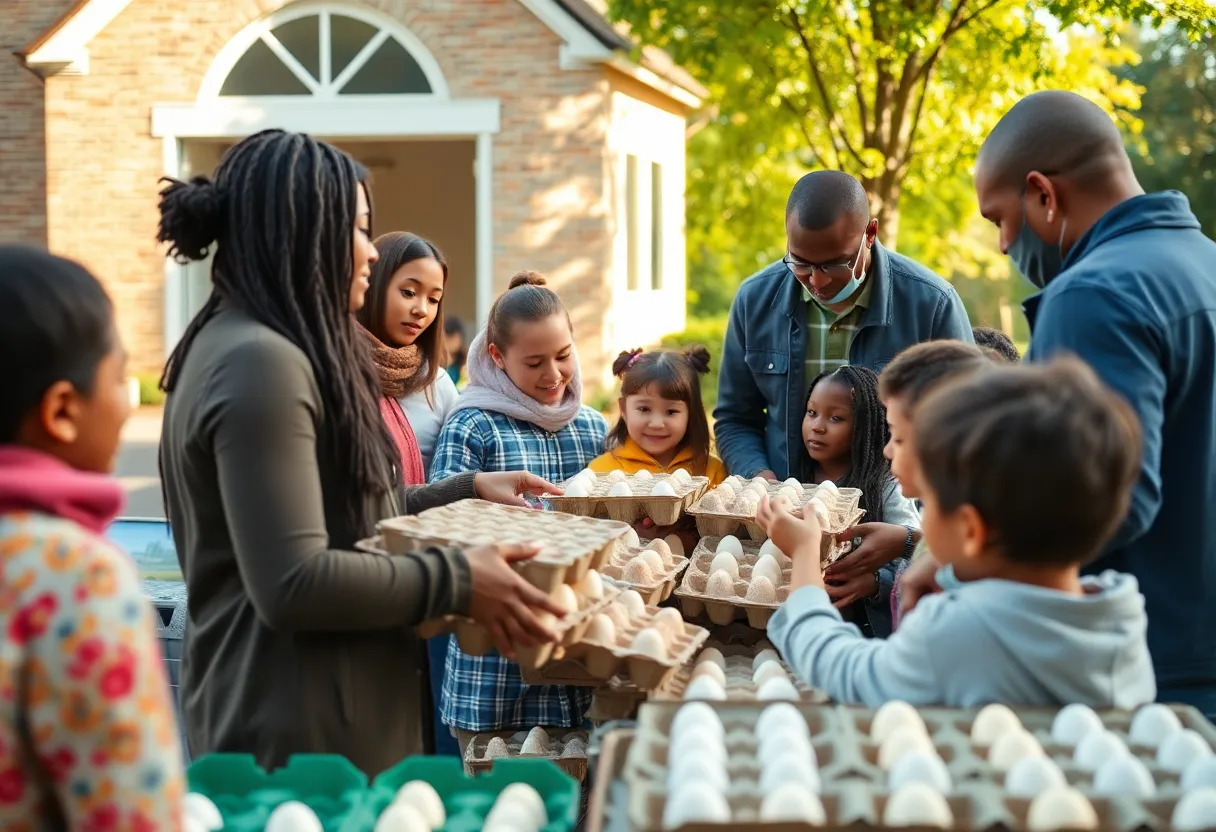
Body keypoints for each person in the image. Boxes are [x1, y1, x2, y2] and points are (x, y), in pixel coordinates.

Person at [156, 130, 567, 775]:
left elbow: (336, 515)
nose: (369, 253)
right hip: (297, 737)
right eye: (356, 229)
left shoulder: (253, 344)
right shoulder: (260, 362)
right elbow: (294, 579)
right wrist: (460, 579)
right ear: (301, 232)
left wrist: (462, 488)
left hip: (319, 723)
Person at [932, 88, 1216, 716]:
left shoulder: (1093, 295)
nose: (1004, 245)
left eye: (999, 218)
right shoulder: (1206, 264)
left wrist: (956, 568)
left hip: (1155, 662)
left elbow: (1100, 499)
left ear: (1043, 194)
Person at [763, 357, 1155, 708]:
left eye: (930, 503)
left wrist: (804, 554)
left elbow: (841, 667)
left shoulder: (960, 633)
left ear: (971, 530)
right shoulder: (1118, 615)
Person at [0, 246, 184, 826]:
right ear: (62, 410)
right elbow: (132, 813)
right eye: (118, 376)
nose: (127, 405)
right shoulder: (73, 575)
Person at [431, 271, 608, 755]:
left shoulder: (591, 428)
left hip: (575, 675)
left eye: (563, 355)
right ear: (496, 357)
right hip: (494, 676)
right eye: (534, 362)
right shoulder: (473, 426)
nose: (553, 374)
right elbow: (439, 532)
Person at [715, 170, 973, 481]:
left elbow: (965, 426)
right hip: (783, 509)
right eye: (800, 263)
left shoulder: (933, 304)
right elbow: (736, 419)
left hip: (894, 514)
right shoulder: (753, 300)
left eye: (835, 264)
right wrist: (760, 479)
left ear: (870, 233)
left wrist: (908, 522)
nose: (817, 280)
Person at [827, 341, 993, 622]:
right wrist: (909, 543)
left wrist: (806, 556)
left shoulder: (966, 575)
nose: (887, 450)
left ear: (942, 446)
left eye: (898, 437)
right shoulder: (942, 532)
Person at [799, 365, 919, 637]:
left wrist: (876, 582)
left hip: (865, 631)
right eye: (811, 413)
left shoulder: (884, 488)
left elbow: (916, 555)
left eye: (836, 418)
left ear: (866, 426)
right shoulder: (796, 480)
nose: (817, 427)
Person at [589, 346, 727, 552]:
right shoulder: (601, 472)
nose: (656, 423)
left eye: (671, 411)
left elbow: (722, 535)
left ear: (691, 412)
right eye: (644, 409)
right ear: (623, 409)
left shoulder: (711, 471)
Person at [356, 231, 460, 480]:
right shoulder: (336, 370)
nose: (421, 310)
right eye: (409, 293)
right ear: (373, 286)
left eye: (434, 299)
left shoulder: (437, 385)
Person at [445, 316, 467, 385]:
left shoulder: (465, 365)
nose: (455, 341)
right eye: (451, 337)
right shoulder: (437, 365)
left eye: (457, 337)